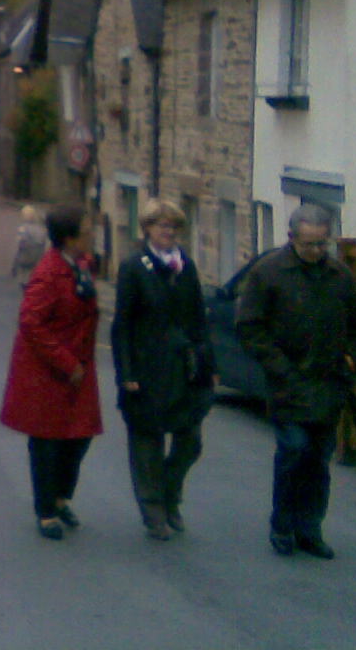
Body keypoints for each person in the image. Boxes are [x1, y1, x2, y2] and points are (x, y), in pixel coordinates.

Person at [235, 204, 356, 560]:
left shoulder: (340, 275)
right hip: (288, 384)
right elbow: (249, 327)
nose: (315, 251)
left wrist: (351, 360)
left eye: (321, 243)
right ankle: (282, 526)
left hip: (327, 384)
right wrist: (280, 368)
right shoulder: (269, 273)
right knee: (293, 451)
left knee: (318, 459)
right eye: (308, 244)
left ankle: (310, 528)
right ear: (292, 238)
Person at [111, 198, 217, 540]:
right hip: (147, 368)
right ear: (147, 229)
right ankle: (154, 510)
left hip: (184, 368)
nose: (169, 232)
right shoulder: (133, 267)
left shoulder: (184, 264)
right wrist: (126, 373)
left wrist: (208, 363)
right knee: (147, 442)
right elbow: (122, 325)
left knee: (190, 441)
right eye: (162, 226)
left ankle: (171, 494)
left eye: (174, 227)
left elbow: (198, 317)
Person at [0, 204, 102, 540]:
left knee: (79, 436)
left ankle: (60, 498)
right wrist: (66, 362)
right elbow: (31, 322)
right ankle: (46, 512)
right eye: (86, 230)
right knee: (47, 443)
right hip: (49, 372)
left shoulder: (81, 264)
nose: (92, 234)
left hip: (77, 369)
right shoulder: (48, 273)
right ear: (70, 238)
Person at [11, 205, 45, 286]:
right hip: (38, 254)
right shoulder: (41, 228)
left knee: (24, 274)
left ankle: (25, 284)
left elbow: (20, 243)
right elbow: (43, 242)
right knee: (33, 272)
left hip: (26, 254)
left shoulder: (23, 228)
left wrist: (15, 263)